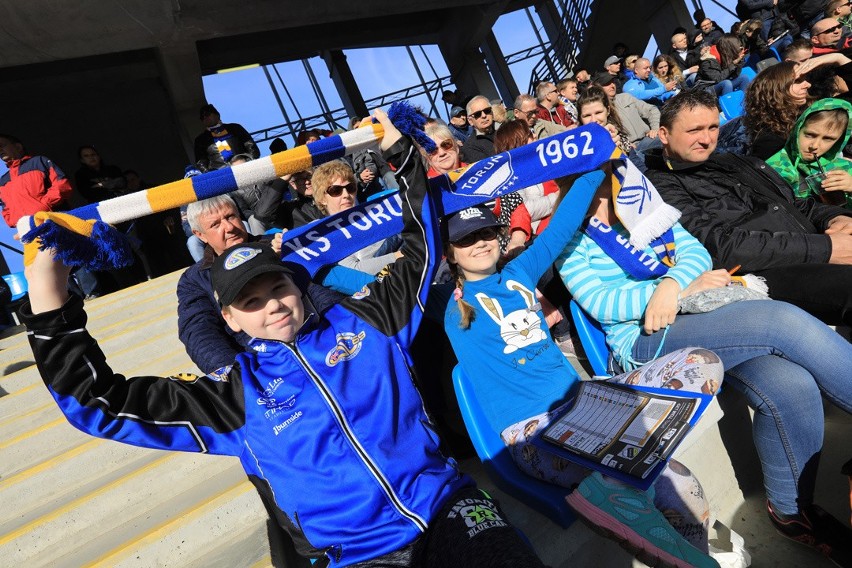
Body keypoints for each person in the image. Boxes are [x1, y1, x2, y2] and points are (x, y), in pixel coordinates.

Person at [21, 113, 548, 568]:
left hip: (447, 503)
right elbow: (97, 402)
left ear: (296, 286)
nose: (271, 304)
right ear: (230, 318)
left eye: (277, 287)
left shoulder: (369, 321)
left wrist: (400, 156)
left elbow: (421, 246)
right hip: (357, 551)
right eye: (250, 302)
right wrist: (50, 301)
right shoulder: (235, 393)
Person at [558, 137, 852, 568]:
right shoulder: (569, 242)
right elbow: (602, 302)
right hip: (645, 340)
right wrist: (665, 293)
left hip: (698, 314)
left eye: (606, 179)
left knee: (791, 384)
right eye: (589, 183)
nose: (604, 190)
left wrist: (675, 285)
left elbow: (694, 250)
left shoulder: (640, 210)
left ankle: (791, 513)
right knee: (780, 320)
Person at [440, 177, 722, 568]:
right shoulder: (450, 307)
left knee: (700, 364)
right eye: (467, 239)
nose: (481, 242)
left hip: (588, 405)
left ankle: (653, 519)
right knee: (647, 483)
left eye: (486, 232)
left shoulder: (519, 271)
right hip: (533, 432)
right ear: (449, 253)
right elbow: (386, 284)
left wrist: (592, 167)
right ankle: (616, 491)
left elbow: (563, 225)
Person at [645, 89, 852, 328]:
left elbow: (795, 203)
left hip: (813, 247)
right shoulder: (659, 186)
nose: (706, 139)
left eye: (713, 128)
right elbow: (719, 247)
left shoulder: (735, 161)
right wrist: (826, 249)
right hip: (765, 273)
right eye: (694, 130)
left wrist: (834, 218)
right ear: (664, 134)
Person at [311, 160, 400, 274]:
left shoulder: (373, 213)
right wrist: (399, 256)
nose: (346, 195)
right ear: (322, 198)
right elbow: (355, 270)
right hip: (380, 278)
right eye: (335, 190)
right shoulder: (324, 231)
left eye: (350, 188)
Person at [766, 97, 852, 208]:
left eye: (828, 139)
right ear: (798, 129)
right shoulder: (775, 168)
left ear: (839, 141)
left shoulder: (844, 168)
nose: (814, 146)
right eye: (810, 135)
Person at [0, 134, 72, 228]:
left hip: (56, 223)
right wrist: (13, 220)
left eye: (2, 145)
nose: (0, 150)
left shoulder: (40, 161)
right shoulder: (3, 181)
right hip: (27, 231)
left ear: (18, 147)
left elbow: (62, 185)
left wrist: (43, 206)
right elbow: (5, 208)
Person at [744, 61, 811, 159]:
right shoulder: (769, 141)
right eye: (797, 81)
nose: (808, 84)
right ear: (776, 90)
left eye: (806, 80)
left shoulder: (805, 115)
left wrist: (838, 58)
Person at [194, 103, 259, 171]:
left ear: (217, 115)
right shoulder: (200, 139)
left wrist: (247, 162)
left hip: (244, 167)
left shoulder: (235, 128)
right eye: (202, 117)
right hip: (221, 174)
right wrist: (212, 175)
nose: (205, 118)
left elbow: (252, 147)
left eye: (207, 114)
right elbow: (200, 162)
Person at [461, 95, 497, 163]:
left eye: (487, 110)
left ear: (492, 113)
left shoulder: (507, 130)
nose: (484, 116)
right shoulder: (470, 147)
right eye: (477, 114)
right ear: (470, 121)